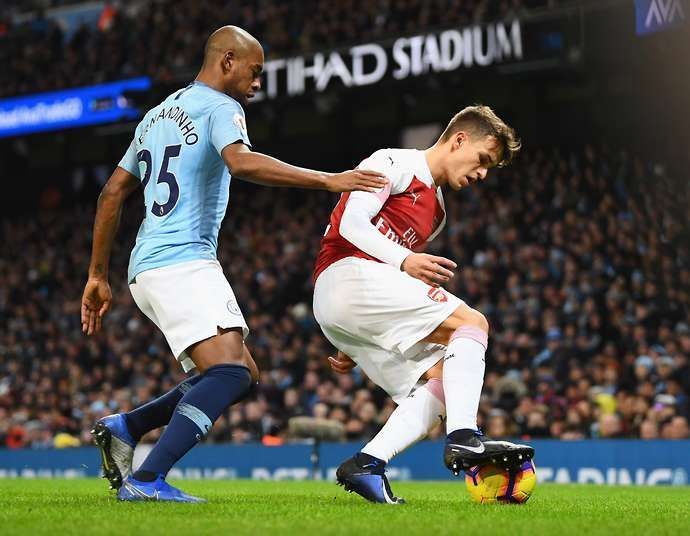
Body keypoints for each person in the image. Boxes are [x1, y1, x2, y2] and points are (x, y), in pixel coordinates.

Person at [81, 25, 386, 503]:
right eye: (255, 70)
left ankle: (128, 426)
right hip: (181, 260)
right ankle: (146, 479)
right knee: (230, 375)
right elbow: (241, 163)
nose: (258, 82)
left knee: (243, 373)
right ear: (227, 61)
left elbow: (111, 194)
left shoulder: (156, 115)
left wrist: (98, 274)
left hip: (148, 265)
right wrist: (330, 180)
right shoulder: (224, 108)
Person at [312, 105, 534, 504]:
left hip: (349, 303)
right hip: (345, 274)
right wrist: (405, 259)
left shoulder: (438, 213)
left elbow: (391, 279)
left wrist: (349, 337)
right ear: (459, 139)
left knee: (444, 378)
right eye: (483, 160)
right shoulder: (392, 162)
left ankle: (368, 463)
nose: (483, 174)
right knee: (473, 323)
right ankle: (465, 438)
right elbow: (351, 224)